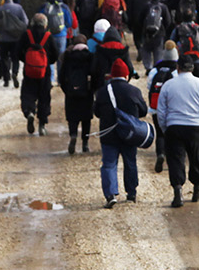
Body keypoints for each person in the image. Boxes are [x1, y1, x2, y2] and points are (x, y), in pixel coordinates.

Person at [155, 55, 199, 208]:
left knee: (175, 159)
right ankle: (197, 189)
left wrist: (165, 127)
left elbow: (161, 110)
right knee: (196, 158)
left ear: (178, 68)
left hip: (174, 127)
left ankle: (177, 191)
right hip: (196, 127)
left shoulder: (168, 85)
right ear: (192, 68)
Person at [95, 60, 146, 208]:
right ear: (126, 74)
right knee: (130, 162)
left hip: (109, 134)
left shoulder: (103, 91)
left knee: (109, 164)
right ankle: (131, 193)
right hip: (130, 135)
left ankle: (110, 195)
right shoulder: (134, 91)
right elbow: (143, 111)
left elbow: (97, 112)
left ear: (112, 75)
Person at [16, 13, 54, 135]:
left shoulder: (26, 35)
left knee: (28, 93)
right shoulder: (48, 36)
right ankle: (42, 125)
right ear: (45, 24)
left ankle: (29, 112)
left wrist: (26, 61)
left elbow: (17, 51)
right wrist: (46, 62)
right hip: (44, 73)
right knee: (44, 97)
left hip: (29, 71)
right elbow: (56, 54)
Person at [59, 33, 96, 154]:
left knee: (72, 118)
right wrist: (92, 90)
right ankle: (85, 143)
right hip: (86, 93)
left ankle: (73, 135)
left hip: (71, 93)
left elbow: (61, 76)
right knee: (86, 119)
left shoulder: (68, 57)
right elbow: (95, 75)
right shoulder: (90, 57)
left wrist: (67, 90)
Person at [146, 44, 180, 173]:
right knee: (172, 134)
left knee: (159, 133)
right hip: (172, 109)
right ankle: (171, 158)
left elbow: (149, 87)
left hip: (156, 107)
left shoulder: (155, 70)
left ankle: (160, 153)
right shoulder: (177, 72)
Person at [0, 0, 28, 88]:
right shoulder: (19, 8)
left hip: (3, 39)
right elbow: (25, 22)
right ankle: (15, 72)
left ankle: (6, 79)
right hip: (16, 38)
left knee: (4, 58)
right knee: (15, 58)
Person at [41, 0, 76, 84]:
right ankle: (60, 79)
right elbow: (70, 22)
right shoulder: (64, 7)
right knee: (61, 57)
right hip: (61, 35)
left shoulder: (44, 7)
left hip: (48, 35)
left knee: (49, 56)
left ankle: (51, 78)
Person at [124, 0, 153, 73]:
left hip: (136, 19)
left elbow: (129, 9)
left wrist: (129, 21)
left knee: (137, 37)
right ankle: (144, 51)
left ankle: (139, 49)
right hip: (147, 19)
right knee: (144, 36)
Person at [169, 11, 199, 78]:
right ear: (193, 18)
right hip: (198, 59)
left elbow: (170, 43)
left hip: (183, 60)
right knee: (198, 82)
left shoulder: (178, 28)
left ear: (182, 18)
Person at [137, 0, 172, 76]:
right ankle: (157, 67)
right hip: (159, 33)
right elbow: (168, 21)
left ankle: (148, 68)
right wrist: (163, 29)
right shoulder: (163, 7)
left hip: (146, 33)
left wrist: (143, 28)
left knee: (146, 50)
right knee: (158, 51)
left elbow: (140, 19)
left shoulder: (146, 6)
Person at [90, 18, 132, 83]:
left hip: (102, 82)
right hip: (120, 82)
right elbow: (130, 68)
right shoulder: (123, 49)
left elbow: (94, 69)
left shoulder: (99, 49)